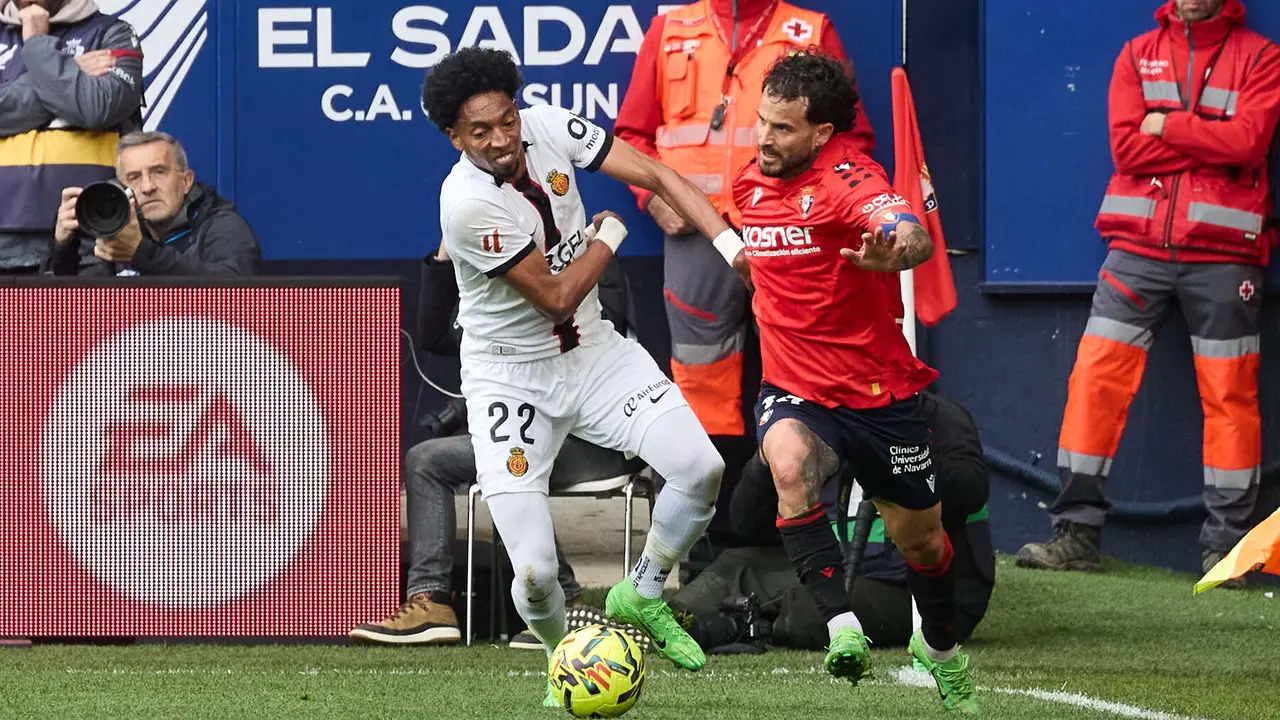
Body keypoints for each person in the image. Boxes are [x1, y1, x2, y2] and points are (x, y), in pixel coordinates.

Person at [421, 46, 751, 707]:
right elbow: (555, 296)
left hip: (597, 354)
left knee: (701, 469)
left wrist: (732, 250)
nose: (501, 140)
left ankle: (645, 589)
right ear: (454, 138)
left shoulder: (549, 126)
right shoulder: (464, 203)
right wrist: (609, 236)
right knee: (538, 572)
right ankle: (560, 661)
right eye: (479, 132)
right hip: (511, 380)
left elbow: (657, 172)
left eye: (505, 121)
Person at [732, 51, 977, 712]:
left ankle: (942, 651)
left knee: (922, 542)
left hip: (880, 394)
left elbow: (908, 230)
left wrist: (895, 248)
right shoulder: (747, 182)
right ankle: (843, 627)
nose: (765, 138)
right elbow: (762, 258)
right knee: (787, 466)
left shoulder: (848, 177)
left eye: (783, 129)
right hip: (796, 390)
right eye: (762, 122)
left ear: (822, 134)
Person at [1016, 0, 1280, 586]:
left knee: (1230, 397)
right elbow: (1128, 150)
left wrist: (1167, 124)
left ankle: (1228, 552)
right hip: (1136, 252)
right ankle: (1076, 534)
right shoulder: (1138, 53)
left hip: (1224, 255)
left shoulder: (1262, 57)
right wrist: (1206, 137)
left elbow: (1248, 144)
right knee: (1095, 381)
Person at [614, 0, 876, 523]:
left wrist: (811, 203)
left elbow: (850, 138)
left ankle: (801, 533)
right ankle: (706, 537)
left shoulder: (810, 30)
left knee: (809, 372)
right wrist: (654, 198)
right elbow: (631, 135)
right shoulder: (670, 29)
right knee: (700, 377)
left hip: (790, 230)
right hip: (697, 234)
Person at [349, 242, 643, 649]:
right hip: (522, 431)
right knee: (434, 459)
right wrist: (445, 258)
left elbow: (577, 333)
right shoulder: (489, 267)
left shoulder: (585, 251)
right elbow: (435, 335)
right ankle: (431, 602)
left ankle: (562, 597)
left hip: (589, 438)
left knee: (501, 457)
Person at [670, 390, 994, 653]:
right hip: (838, 562)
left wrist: (896, 453)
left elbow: (972, 490)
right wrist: (767, 459)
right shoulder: (815, 419)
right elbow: (746, 525)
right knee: (734, 564)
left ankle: (741, 626)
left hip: (915, 587)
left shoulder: (938, 414)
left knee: (810, 611)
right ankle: (665, 623)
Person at [0, 0, 143, 274]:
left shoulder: (112, 33)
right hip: (3, 236)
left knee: (77, 318)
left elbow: (96, 108)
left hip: (87, 235)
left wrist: (37, 44)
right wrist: (66, 73)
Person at [49, 131, 262, 276]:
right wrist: (63, 250)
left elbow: (236, 295)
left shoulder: (222, 226)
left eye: (159, 172)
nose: (148, 186)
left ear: (186, 181)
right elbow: (70, 314)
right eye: (134, 177)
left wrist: (142, 254)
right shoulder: (116, 234)